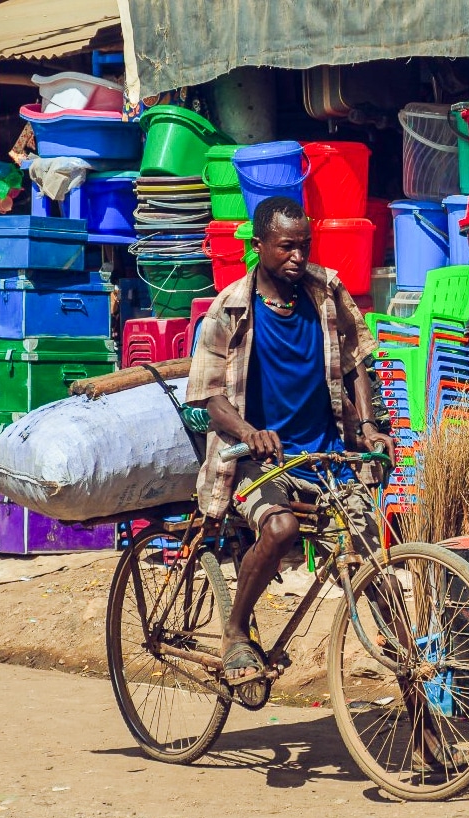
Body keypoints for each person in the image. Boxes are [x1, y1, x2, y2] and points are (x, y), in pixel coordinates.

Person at [186, 195, 393, 685]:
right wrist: (248, 432)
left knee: (370, 548)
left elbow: (355, 363)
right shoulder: (229, 310)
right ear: (259, 247)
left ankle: (405, 653)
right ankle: (235, 632)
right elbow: (208, 396)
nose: (298, 258)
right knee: (279, 530)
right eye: (286, 248)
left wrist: (365, 427)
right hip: (255, 460)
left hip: (324, 456)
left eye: (304, 246)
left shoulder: (327, 292)